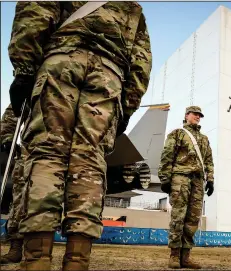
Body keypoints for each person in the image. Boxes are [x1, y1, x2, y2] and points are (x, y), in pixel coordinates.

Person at [7, 2, 152, 270]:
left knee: (47, 154)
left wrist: (25, 69)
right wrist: (128, 106)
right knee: (90, 162)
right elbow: (141, 61)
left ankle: (37, 259)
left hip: (61, 62)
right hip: (109, 78)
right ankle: (77, 261)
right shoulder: (132, 7)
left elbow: (35, 13)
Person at [158, 106, 215, 269]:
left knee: (193, 218)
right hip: (180, 178)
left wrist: (210, 179)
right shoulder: (178, 133)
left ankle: (186, 257)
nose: (198, 117)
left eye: (200, 115)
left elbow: (209, 161)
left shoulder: (204, 139)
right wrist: (165, 179)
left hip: (198, 180)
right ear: (187, 115)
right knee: (178, 216)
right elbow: (167, 156)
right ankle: (174, 256)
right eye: (195, 114)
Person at [0, 104, 25, 265]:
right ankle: (16, 246)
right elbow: (14, 111)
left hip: (80, 147)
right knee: (22, 195)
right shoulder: (34, 79)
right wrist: (7, 138)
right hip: (37, 145)